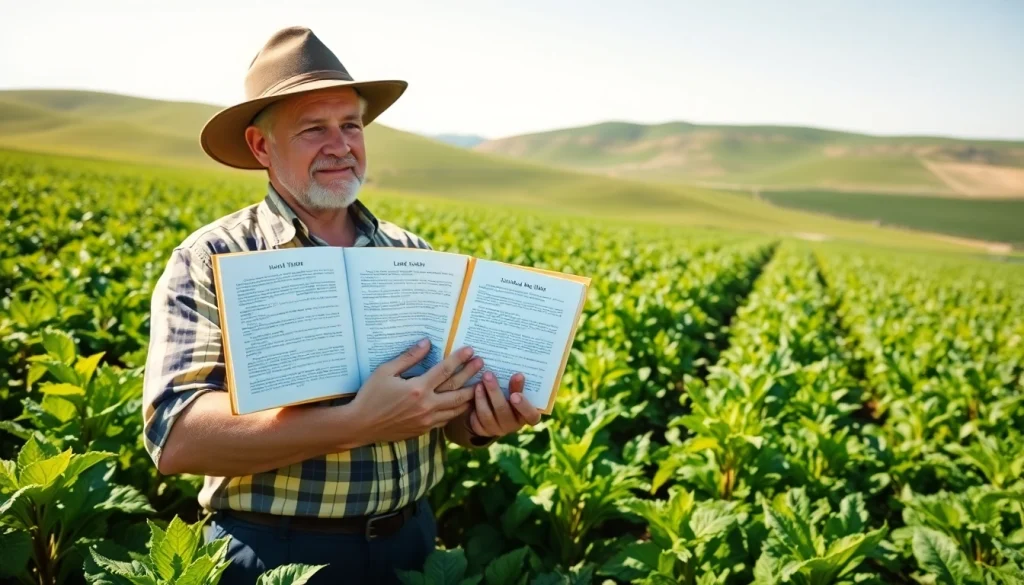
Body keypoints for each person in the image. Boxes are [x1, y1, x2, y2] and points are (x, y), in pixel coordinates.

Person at [141, 26, 542, 584]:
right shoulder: (212, 256)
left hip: (412, 545)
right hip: (274, 553)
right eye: (313, 130)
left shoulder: (412, 253)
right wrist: (357, 422)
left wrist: (481, 421)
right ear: (262, 147)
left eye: (350, 125)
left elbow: (438, 412)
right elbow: (176, 436)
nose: (341, 145)